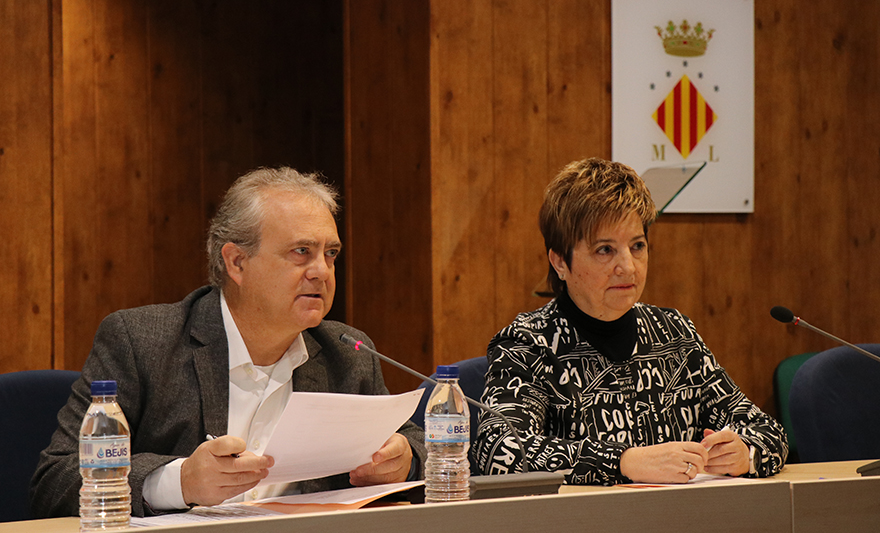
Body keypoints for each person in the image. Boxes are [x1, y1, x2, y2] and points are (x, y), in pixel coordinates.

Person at [31, 167, 426, 517]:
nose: (321, 272)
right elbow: (56, 481)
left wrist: (405, 460)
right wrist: (179, 481)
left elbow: (413, 444)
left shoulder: (348, 352)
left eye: (331, 253)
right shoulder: (141, 343)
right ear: (237, 262)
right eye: (301, 252)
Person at [473, 157, 788, 484]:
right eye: (604, 250)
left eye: (637, 246)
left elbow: (767, 430)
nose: (629, 266)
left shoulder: (674, 332)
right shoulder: (528, 344)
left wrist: (744, 452)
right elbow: (497, 451)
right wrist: (623, 462)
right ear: (559, 262)